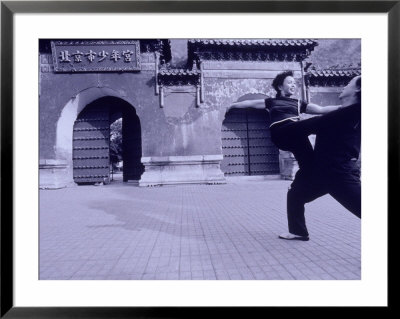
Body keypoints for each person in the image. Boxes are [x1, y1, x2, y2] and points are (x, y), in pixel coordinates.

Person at [278, 75, 361, 241]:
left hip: (338, 174)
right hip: (321, 173)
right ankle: (298, 231)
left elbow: (307, 126)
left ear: (358, 89)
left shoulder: (353, 112)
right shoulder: (345, 114)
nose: (344, 86)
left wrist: (279, 127)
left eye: (348, 84)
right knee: (295, 194)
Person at [228, 71, 342, 171]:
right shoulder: (272, 102)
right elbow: (251, 103)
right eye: (289, 82)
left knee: (309, 164)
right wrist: (232, 105)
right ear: (280, 87)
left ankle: (298, 191)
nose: (293, 85)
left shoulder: (298, 103)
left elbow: (321, 109)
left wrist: (343, 107)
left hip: (297, 134)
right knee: (319, 122)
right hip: (281, 132)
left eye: (294, 83)